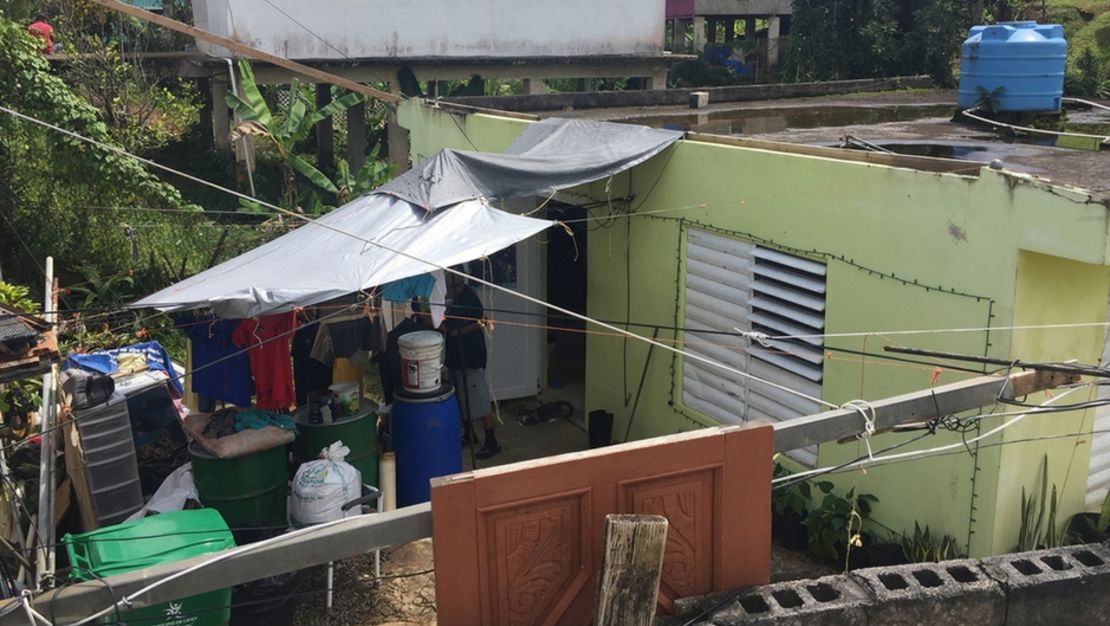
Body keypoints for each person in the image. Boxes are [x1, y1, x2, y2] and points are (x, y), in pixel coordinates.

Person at [444, 272, 500, 459]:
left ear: (457, 283)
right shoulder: (450, 299)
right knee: (460, 397)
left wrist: (457, 332)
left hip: (470, 356)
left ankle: (491, 441)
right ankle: (469, 434)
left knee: (478, 400)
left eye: (448, 285)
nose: (446, 289)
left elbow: (481, 321)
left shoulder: (469, 298)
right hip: (454, 357)